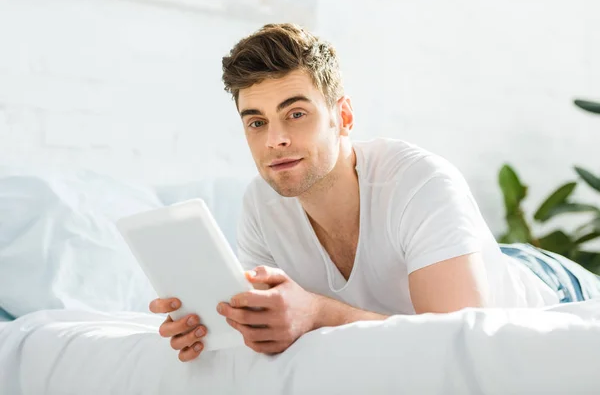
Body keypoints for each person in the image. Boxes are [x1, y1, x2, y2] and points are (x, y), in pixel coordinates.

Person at [149, 23, 600, 362]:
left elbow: (458, 343)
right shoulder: (260, 205)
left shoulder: (420, 182)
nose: (274, 140)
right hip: (457, 262)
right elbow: (272, 324)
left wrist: (319, 314)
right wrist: (215, 329)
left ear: (343, 117)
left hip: (551, 284)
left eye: (297, 114)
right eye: (256, 122)